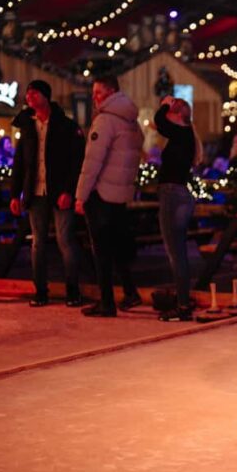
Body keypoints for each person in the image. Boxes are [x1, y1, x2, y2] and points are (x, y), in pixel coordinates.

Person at [9, 79, 85, 307]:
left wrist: (69, 191)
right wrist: (16, 194)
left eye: (33, 93)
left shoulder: (65, 126)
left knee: (65, 241)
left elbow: (76, 161)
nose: (29, 97)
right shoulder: (27, 127)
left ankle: (73, 290)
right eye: (28, 93)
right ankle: (40, 290)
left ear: (45, 96)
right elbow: (20, 162)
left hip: (59, 191)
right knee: (37, 243)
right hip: (35, 192)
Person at [75, 75, 143, 317]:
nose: (94, 97)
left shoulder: (105, 121)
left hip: (101, 193)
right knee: (115, 246)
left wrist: (81, 195)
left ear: (112, 92)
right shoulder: (131, 120)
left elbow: (92, 161)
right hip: (120, 193)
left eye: (99, 93)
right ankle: (129, 290)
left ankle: (106, 301)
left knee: (101, 249)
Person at [153, 96, 202, 321]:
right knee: (179, 252)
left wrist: (164, 103)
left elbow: (158, 121)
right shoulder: (186, 135)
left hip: (172, 194)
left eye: (170, 111)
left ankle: (182, 306)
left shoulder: (181, 132)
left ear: (177, 114)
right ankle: (183, 301)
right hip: (180, 193)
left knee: (176, 254)